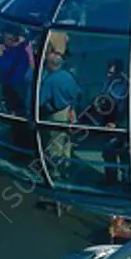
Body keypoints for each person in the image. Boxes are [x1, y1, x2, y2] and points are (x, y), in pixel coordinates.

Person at [39, 36, 81, 179]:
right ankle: (67, 168)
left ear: (50, 65)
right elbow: (77, 93)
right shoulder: (68, 76)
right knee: (67, 142)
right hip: (69, 111)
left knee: (54, 144)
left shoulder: (49, 81)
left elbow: (41, 100)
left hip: (55, 115)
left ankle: (55, 172)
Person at [94, 60, 129, 185]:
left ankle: (127, 180)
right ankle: (110, 178)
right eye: (108, 72)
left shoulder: (124, 87)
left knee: (123, 154)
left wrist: (117, 124)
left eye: (111, 72)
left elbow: (126, 108)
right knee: (108, 153)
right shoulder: (107, 83)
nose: (108, 74)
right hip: (107, 122)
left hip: (118, 125)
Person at [0, 29, 34, 118]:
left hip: (16, 84)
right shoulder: (23, 47)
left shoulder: (19, 50)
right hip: (13, 83)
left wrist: (0, 55)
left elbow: (5, 67)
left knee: (17, 105)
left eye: (9, 39)